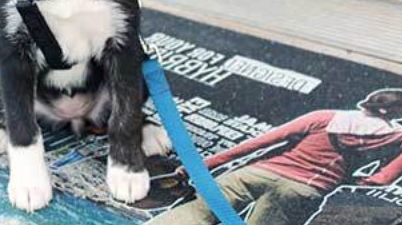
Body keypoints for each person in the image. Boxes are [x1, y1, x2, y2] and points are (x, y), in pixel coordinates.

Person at [152, 89, 402, 225]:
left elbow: (259, 143)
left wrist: (197, 167)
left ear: (367, 102)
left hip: (258, 172)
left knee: (189, 218)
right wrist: (337, 180)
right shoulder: (396, 138)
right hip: (303, 191)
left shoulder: (324, 117)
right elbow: (381, 180)